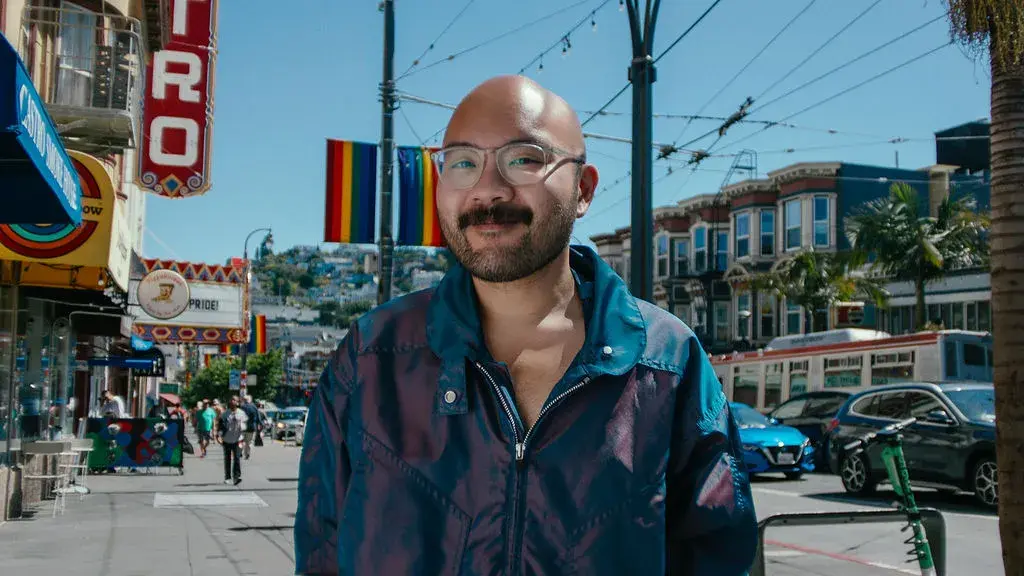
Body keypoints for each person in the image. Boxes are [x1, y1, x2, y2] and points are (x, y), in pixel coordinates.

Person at [294, 75, 757, 575]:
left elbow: (718, 554)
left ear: (583, 189)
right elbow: (322, 551)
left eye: (523, 159)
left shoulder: (668, 362)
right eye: (463, 163)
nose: (488, 190)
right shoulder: (369, 359)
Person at [216, 395, 247, 485]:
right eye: (231, 400)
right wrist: (219, 435)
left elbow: (245, 425)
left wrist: (241, 426)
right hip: (227, 439)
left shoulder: (241, 413)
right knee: (227, 458)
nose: (233, 401)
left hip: (238, 439)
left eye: (235, 400)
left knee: (237, 458)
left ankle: (237, 477)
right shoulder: (225, 414)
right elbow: (220, 426)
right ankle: (228, 477)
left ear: (237, 403)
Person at [239, 395, 260, 459]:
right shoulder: (254, 407)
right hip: (251, 427)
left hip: (243, 426)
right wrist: (260, 424)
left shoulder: (241, 407)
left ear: (244, 400)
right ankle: (248, 453)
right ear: (250, 400)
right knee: (250, 441)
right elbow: (258, 417)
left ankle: (240, 452)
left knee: (241, 440)